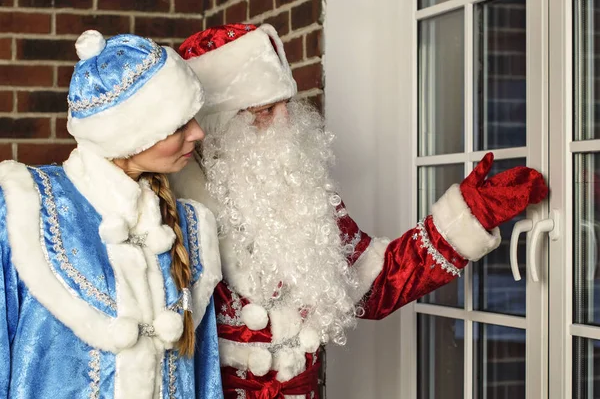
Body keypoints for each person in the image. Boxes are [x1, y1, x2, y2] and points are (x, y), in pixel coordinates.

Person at [169, 23, 548, 399]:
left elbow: (378, 281)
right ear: (219, 126)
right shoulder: (173, 212)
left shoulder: (302, 196)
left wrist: (468, 217)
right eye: (266, 111)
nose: (285, 123)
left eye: (287, 105)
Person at [0, 30, 223, 399]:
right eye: (180, 124)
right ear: (130, 135)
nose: (198, 133)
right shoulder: (28, 208)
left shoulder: (191, 226)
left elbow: (204, 379)